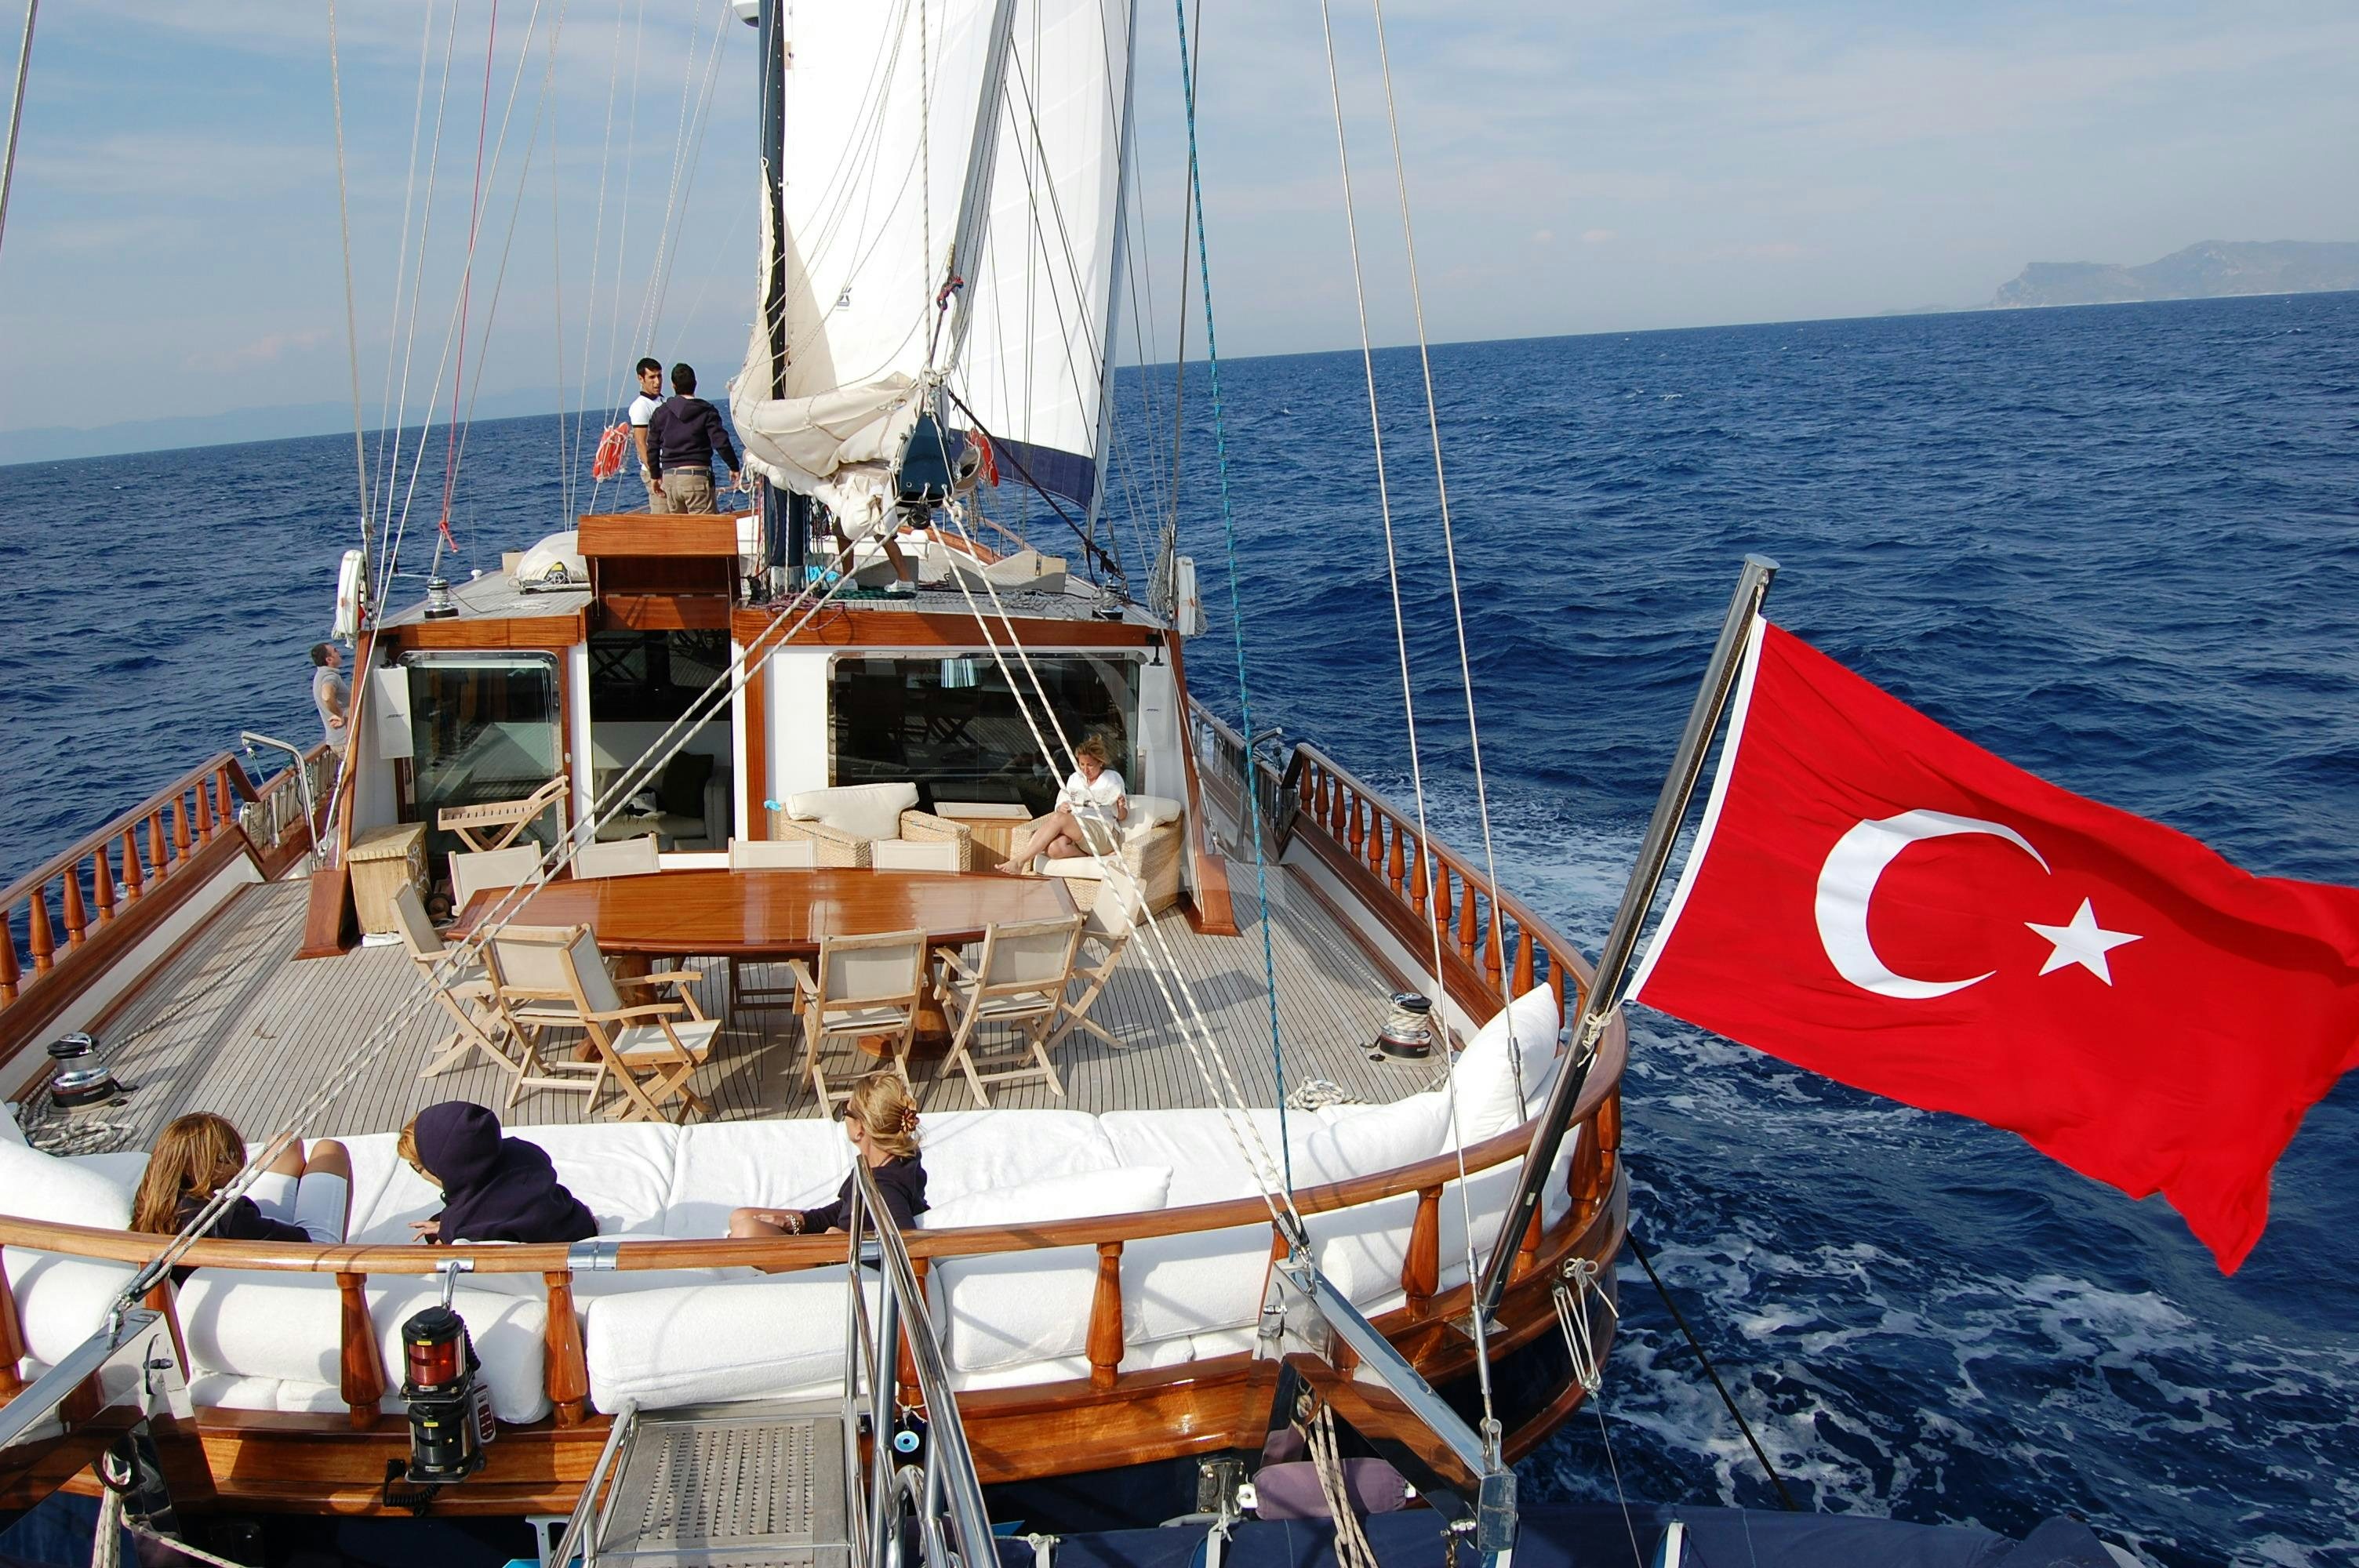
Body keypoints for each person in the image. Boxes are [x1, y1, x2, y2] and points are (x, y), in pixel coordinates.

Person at [729, 1073, 927, 1253]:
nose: (844, 1118)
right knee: (741, 1216)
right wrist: (799, 1222)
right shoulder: (886, 1161)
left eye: (846, 1111)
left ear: (860, 1128)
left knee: (747, 1231)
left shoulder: (885, 1187)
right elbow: (846, 1208)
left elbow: (906, 1245)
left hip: (838, 1261)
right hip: (837, 1241)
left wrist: (848, 1242)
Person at [130, 1112, 351, 1246]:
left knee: (284, 1142)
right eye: (225, 1157)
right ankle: (341, 1254)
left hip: (248, 1242)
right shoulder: (230, 1218)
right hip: (306, 1258)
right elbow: (302, 1242)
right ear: (193, 1168)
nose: (236, 1165)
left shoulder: (150, 1204)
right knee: (331, 1150)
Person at [398, 1102, 598, 1245]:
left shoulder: (469, 1226)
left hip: (561, 1272)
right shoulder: (521, 1152)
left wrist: (450, 1231)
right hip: (579, 1222)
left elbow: (477, 1222)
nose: (422, 1175)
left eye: (420, 1169)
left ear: (446, 1169)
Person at [998, 734, 1129, 873]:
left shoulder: (1112, 778)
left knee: (1058, 819)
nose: (1085, 770)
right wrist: (1062, 807)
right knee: (1054, 849)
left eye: (1090, 765)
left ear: (1100, 762)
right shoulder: (1075, 779)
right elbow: (1061, 806)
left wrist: (1121, 806)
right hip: (1080, 831)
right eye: (1082, 764)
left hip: (1104, 831)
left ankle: (1020, 861)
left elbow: (1122, 816)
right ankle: (1092, 855)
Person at [645, 363, 741, 516]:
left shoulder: (660, 413)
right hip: (696, 477)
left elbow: (652, 447)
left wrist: (655, 476)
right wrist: (734, 466)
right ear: (695, 383)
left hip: (670, 479)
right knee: (705, 531)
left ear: (673, 385)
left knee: (683, 531)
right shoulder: (706, 411)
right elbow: (720, 442)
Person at [627, 357, 667, 513]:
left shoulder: (662, 401)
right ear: (641, 379)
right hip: (657, 470)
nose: (657, 382)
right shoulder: (641, 407)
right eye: (652, 377)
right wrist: (655, 473)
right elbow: (641, 443)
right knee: (663, 515)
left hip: (670, 468)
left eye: (659, 376)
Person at [311, 643, 348, 745]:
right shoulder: (330, 677)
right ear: (329, 660)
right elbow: (327, 696)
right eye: (335, 651)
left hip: (337, 739)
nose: (339, 652)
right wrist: (340, 716)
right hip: (344, 740)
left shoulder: (320, 675)